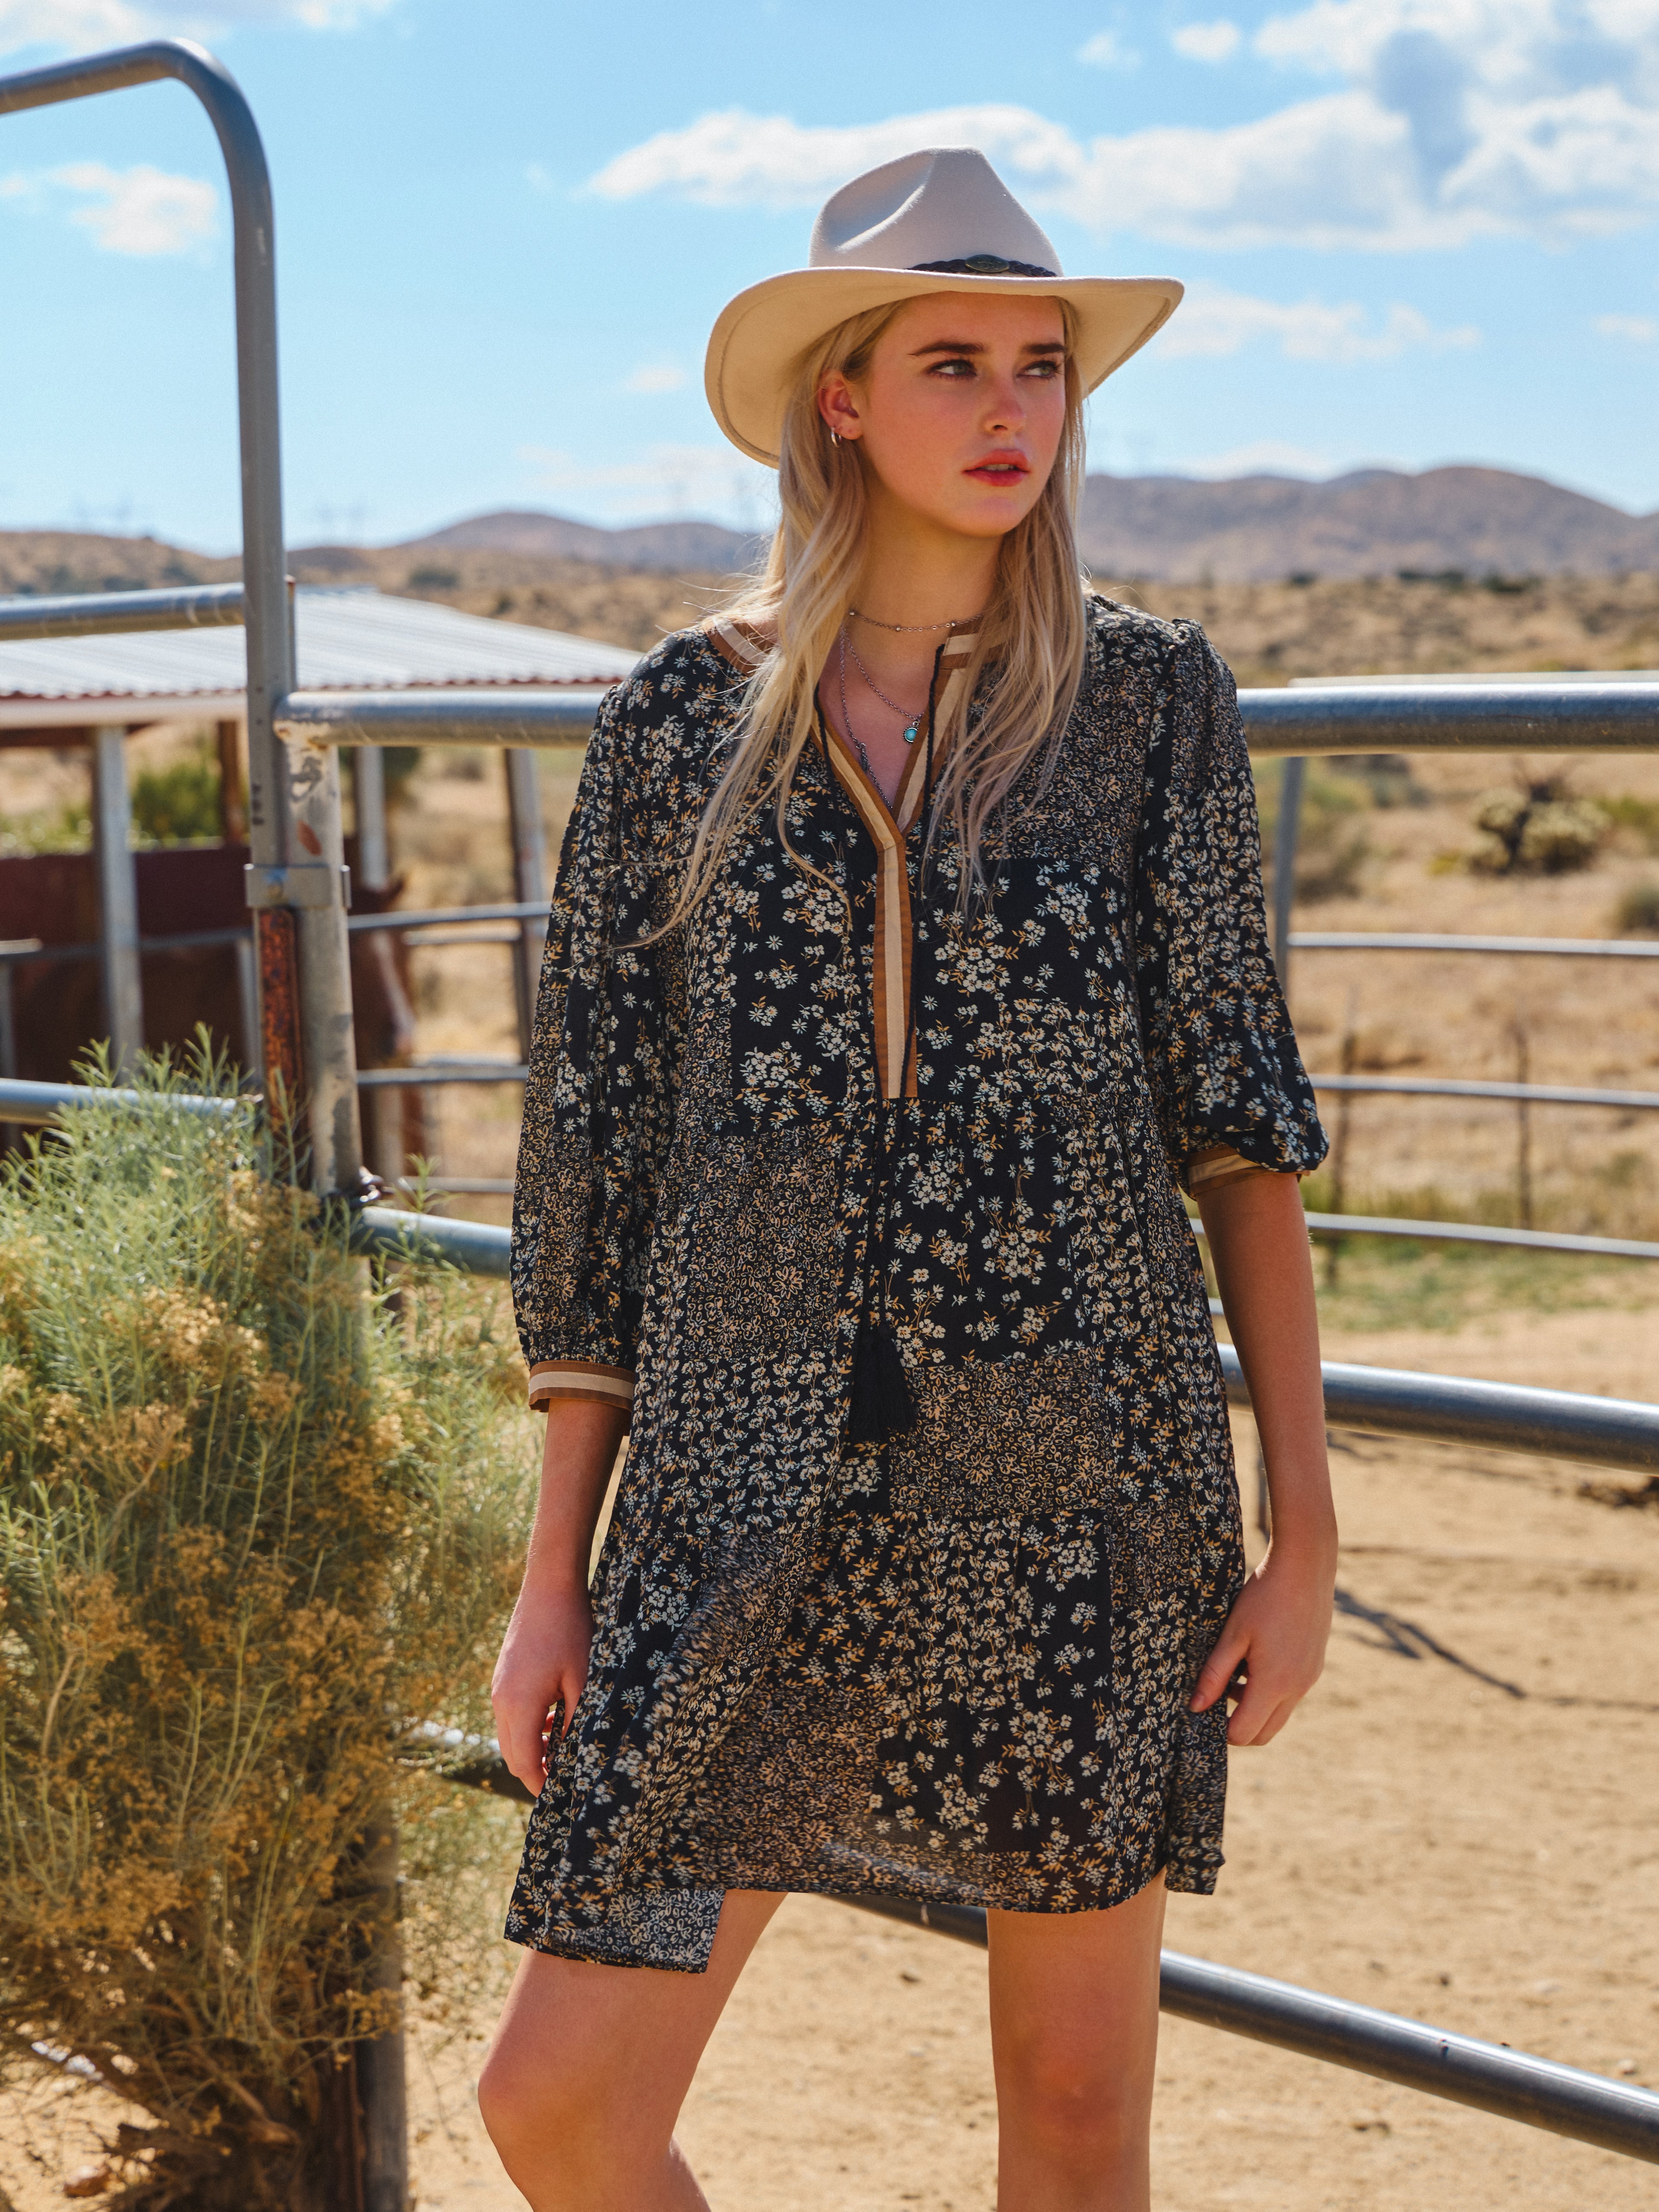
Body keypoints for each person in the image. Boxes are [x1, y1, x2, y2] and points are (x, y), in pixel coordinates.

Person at [479, 146, 1336, 2212]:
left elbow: (1239, 1128)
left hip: (1085, 1475)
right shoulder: (676, 724)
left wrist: (1301, 1527)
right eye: (953, 363)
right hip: (741, 1476)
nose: (1011, 408)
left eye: (1042, 365)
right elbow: (598, 1157)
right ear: (842, 398)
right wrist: (553, 1568)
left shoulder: (1149, 705)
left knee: (1072, 2110)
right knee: (558, 2105)